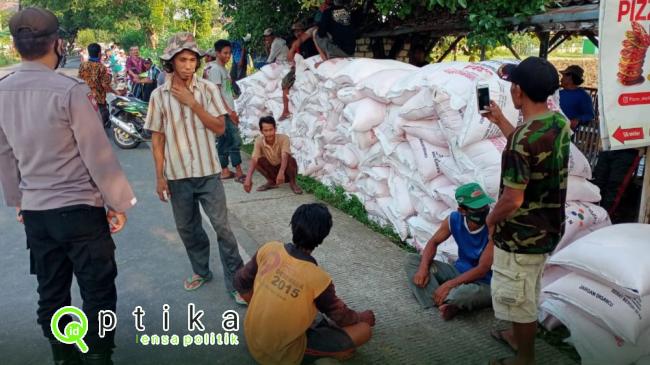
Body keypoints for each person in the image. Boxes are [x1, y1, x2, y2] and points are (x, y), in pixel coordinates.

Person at [0, 7, 136, 364]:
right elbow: (96, 152)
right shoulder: (70, 90)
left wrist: (17, 200)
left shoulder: (3, 90)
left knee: (52, 290)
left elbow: (4, 152)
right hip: (80, 211)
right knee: (97, 289)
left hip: (37, 214)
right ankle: (98, 356)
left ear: (15, 48)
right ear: (57, 44)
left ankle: (63, 356)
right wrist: (117, 203)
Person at [143, 32, 246, 304]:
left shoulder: (207, 90)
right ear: (171, 63)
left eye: (192, 60)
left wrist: (193, 104)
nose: (188, 65)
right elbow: (158, 138)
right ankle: (201, 270)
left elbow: (220, 127)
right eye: (182, 60)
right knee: (188, 229)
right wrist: (159, 177)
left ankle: (236, 282)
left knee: (223, 229)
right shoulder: (159, 96)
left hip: (208, 173)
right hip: (177, 177)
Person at [484, 57, 570, 365]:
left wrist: (490, 220)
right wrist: (501, 122)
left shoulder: (522, 139)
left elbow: (513, 199)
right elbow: (534, 150)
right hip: (548, 227)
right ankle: (516, 337)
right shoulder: (557, 123)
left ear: (517, 91)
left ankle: (525, 360)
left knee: (519, 301)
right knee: (527, 292)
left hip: (522, 235)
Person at [234, 203, 375, 364]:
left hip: (252, 336)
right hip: (278, 353)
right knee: (363, 331)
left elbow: (240, 282)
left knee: (313, 315)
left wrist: (267, 310)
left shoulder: (269, 249)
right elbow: (341, 317)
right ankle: (317, 357)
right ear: (322, 237)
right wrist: (360, 317)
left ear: (293, 225)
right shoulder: (319, 279)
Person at [405, 183, 494, 321]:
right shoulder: (453, 220)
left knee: (463, 294)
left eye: (485, 206)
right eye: (477, 208)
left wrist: (449, 284)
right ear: (462, 210)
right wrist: (423, 268)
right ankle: (441, 300)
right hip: (458, 272)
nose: (483, 210)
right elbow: (433, 243)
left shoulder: (493, 227)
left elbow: (482, 269)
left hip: (484, 283)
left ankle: (448, 298)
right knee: (412, 261)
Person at [206, 40, 245, 182]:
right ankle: (239, 172)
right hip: (223, 112)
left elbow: (225, 90)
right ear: (217, 53)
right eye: (225, 53)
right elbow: (216, 93)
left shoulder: (222, 68)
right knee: (234, 139)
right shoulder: (215, 69)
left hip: (225, 110)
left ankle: (225, 171)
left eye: (229, 53)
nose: (228, 56)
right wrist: (229, 111)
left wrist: (234, 99)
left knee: (224, 141)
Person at [243, 116, 303, 195]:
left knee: (290, 159)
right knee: (258, 161)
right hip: (272, 169)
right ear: (261, 131)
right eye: (265, 130)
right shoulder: (258, 141)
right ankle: (271, 182)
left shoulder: (284, 138)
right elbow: (254, 158)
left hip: (285, 170)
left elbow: (284, 155)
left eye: (271, 130)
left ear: (275, 129)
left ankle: (293, 183)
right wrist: (248, 178)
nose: (269, 133)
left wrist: (281, 172)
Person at [279, 21, 320, 120]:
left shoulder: (311, 41)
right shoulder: (296, 43)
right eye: (295, 32)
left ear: (304, 31)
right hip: (299, 67)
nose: (297, 33)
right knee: (285, 83)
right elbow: (291, 58)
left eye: (299, 31)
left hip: (311, 66)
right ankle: (286, 111)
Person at [78, 43, 114, 129]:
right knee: (101, 118)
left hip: (85, 96)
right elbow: (105, 84)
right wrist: (115, 91)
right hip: (98, 98)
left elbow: (79, 80)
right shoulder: (101, 67)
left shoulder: (83, 65)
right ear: (99, 54)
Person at [314, 0, 356, 64]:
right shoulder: (347, 11)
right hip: (352, 50)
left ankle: (326, 59)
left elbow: (321, 33)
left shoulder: (327, 12)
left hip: (341, 51)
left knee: (315, 33)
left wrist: (321, 22)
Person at [559, 65, 595, 130]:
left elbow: (590, 115)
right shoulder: (558, 93)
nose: (561, 79)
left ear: (570, 78)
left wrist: (578, 120)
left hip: (565, 131)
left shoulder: (583, 96)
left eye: (563, 76)